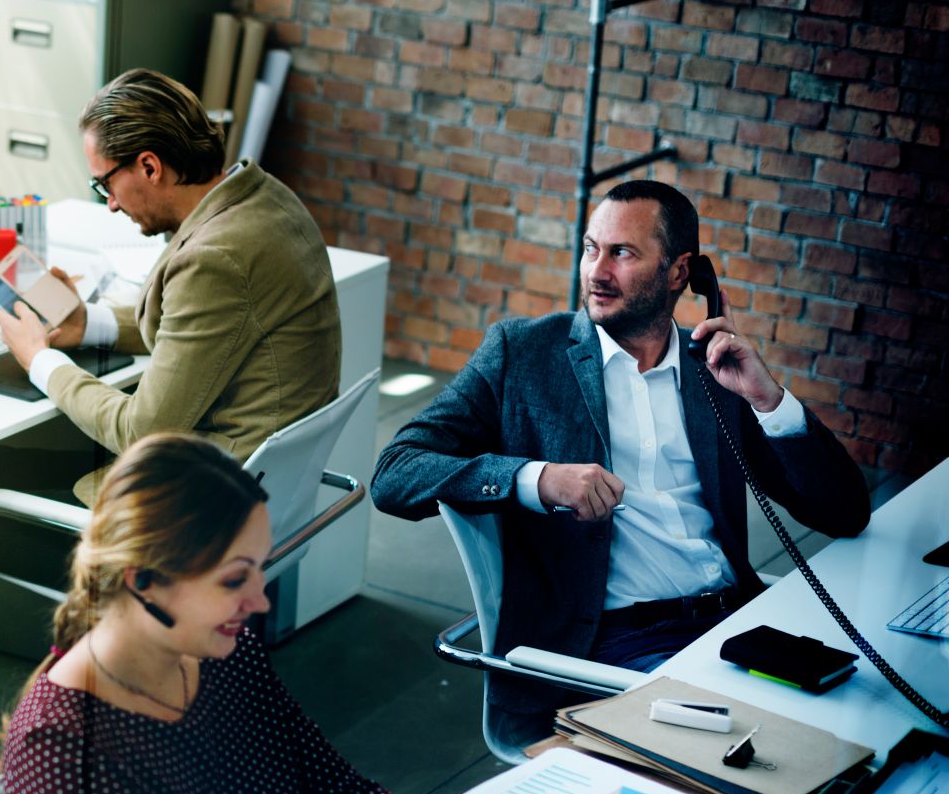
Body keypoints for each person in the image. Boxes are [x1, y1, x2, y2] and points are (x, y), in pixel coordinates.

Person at [1, 433, 603, 794]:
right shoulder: (59, 745)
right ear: (143, 581)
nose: (259, 601)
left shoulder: (222, 657)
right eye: (234, 579)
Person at [372, 179, 869, 738]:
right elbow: (395, 472)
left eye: (622, 253)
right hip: (616, 641)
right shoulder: (524, 354)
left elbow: (844, 512)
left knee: (861, 725)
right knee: (765, 753)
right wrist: (536, 480)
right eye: (591, 249)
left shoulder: (715, 371)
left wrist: (768, 399)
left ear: (681, 274)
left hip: (739, 622)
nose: (597, 272)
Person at [0, 67, 342, 505]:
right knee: (1, 462)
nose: (112, 204)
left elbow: (141, 430)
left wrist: (39, 360)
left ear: (149, 166)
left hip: (195, 507)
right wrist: (88, 323)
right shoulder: (265, 198)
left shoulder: (214, 258)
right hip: (256, 475)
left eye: (105, 185)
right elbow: (200, 326)